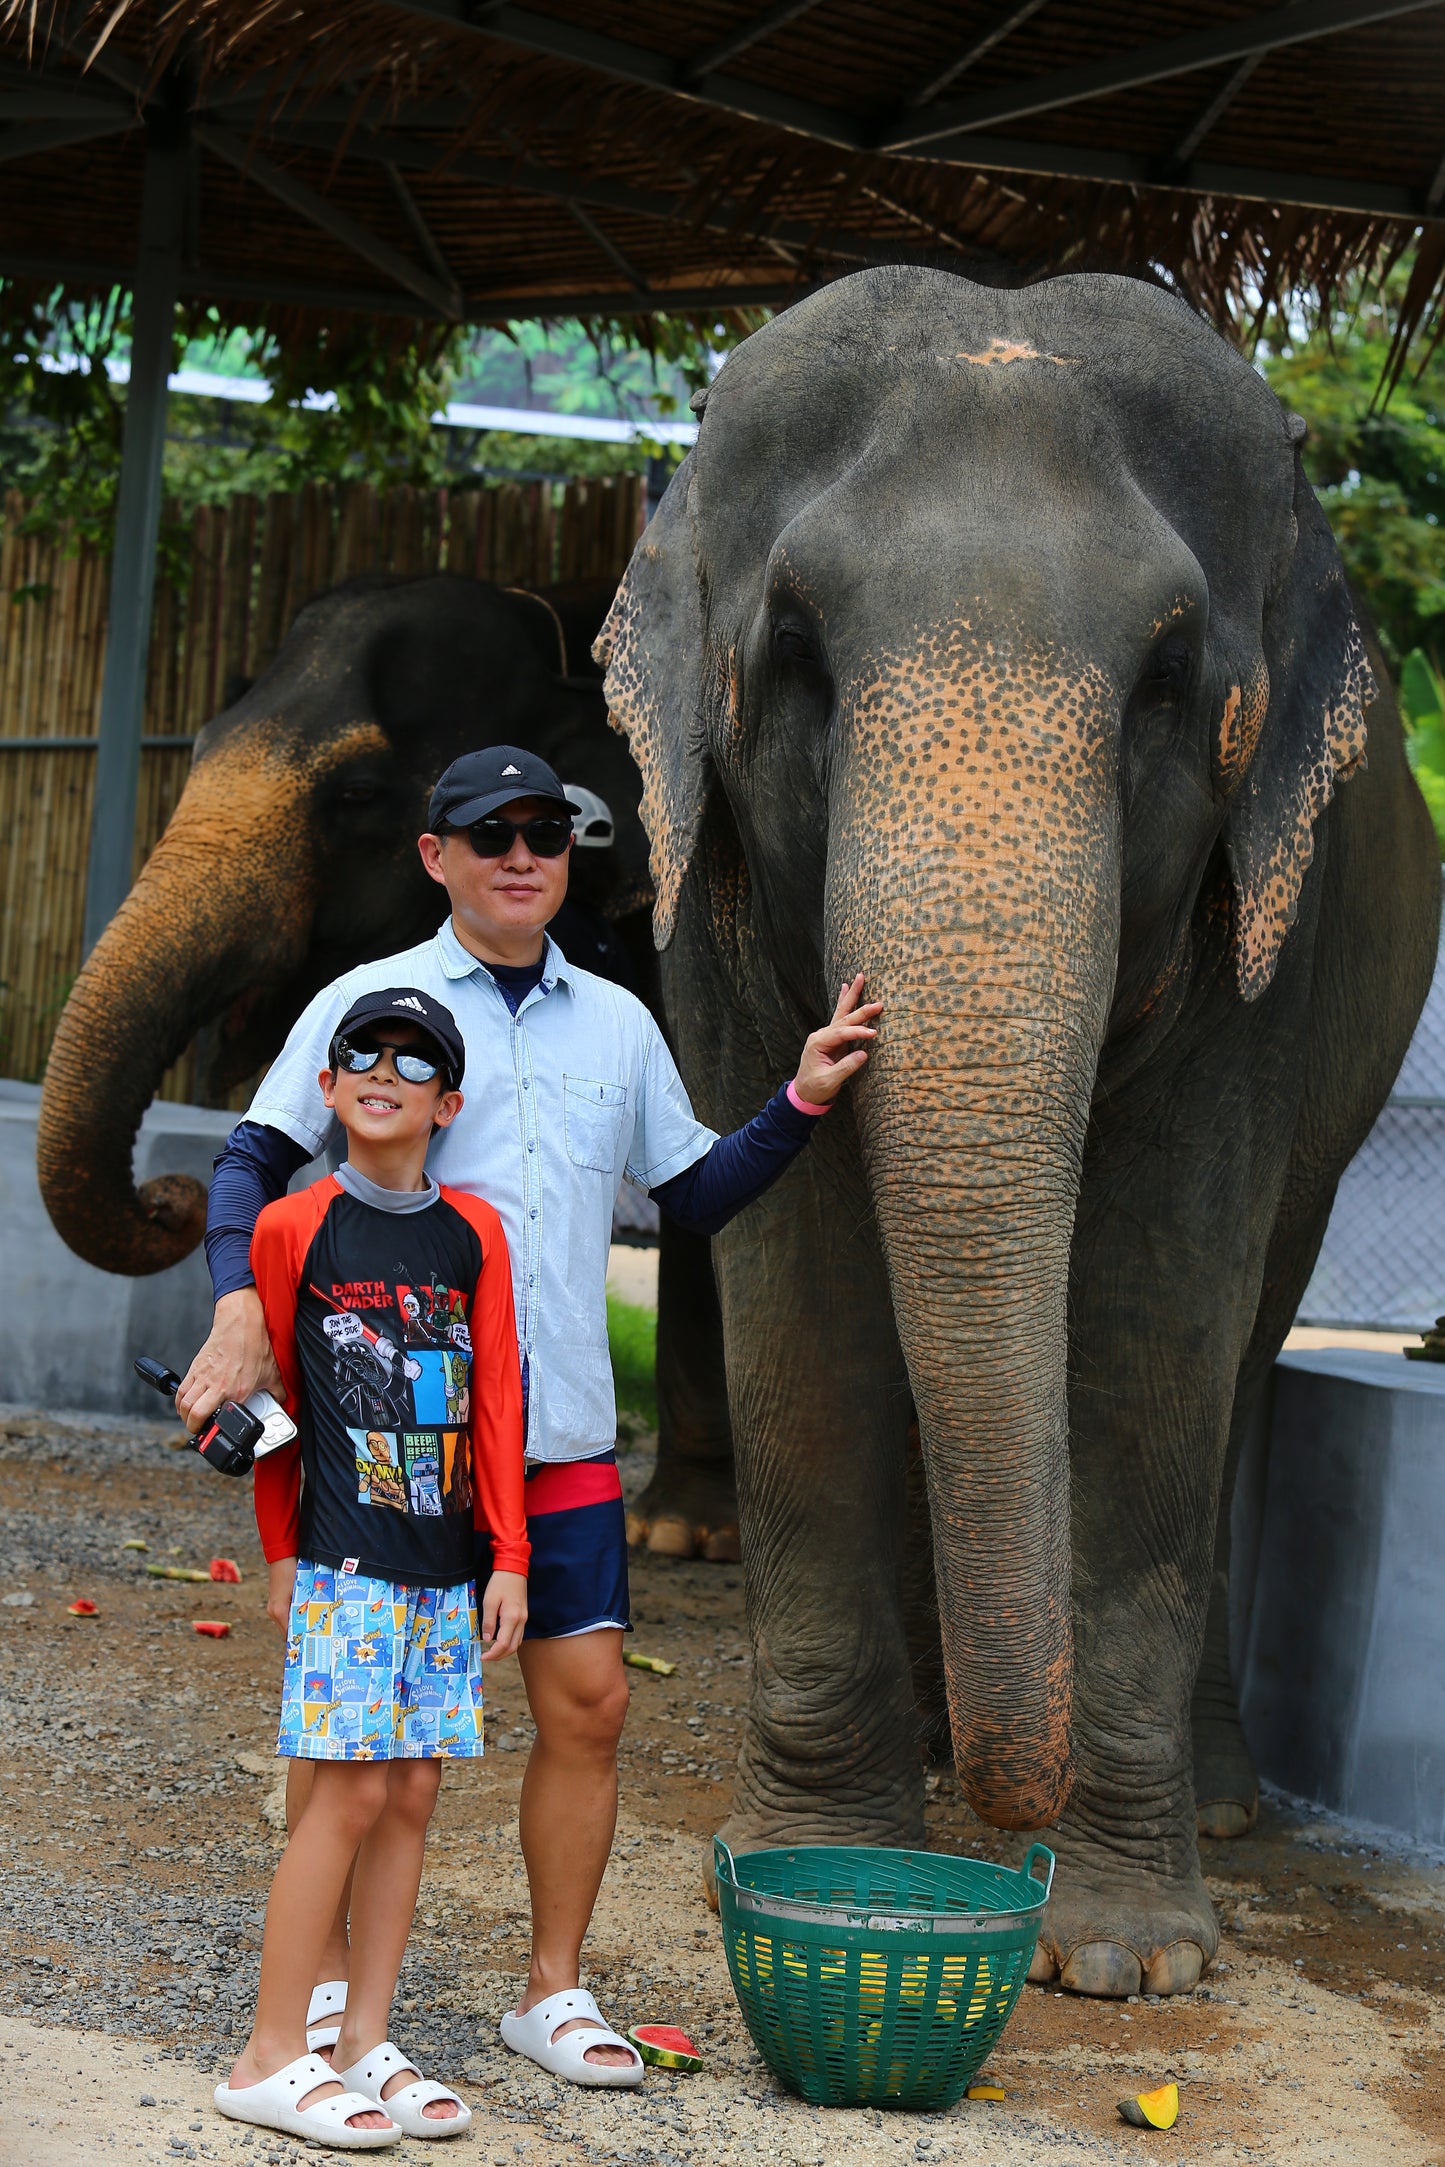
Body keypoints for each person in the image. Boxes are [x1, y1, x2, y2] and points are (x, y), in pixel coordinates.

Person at [180, 744, 880, 2087]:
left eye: (545, 833)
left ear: (569, 855)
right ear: (434, 855)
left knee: (592, 1705)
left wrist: (800, 1096)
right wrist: (236, 1305)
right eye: (488, 832)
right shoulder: (370, 1003)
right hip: (400, 1456)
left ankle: (551, 1988)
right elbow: (252, 1158)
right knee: (364, 1743)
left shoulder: (615, 1021)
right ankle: (320, 1991)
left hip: (555, 1435)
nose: (520, 855)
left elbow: (691, 1191)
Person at [214, 987, 528, 2148]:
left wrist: (509, 1556)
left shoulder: (476, 1233)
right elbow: (274, 1409)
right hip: (344, 1561)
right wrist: (279, 1552)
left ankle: (360, 2040)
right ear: (328, 1084)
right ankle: (267, 2053)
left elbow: (497, 1398)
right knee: (345, 1793)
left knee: (409, 1794)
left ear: (447, 1105)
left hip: (446, 1568)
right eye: (363, 1051)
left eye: (415, 1059)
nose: (385, 1069)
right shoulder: (291, 1226)